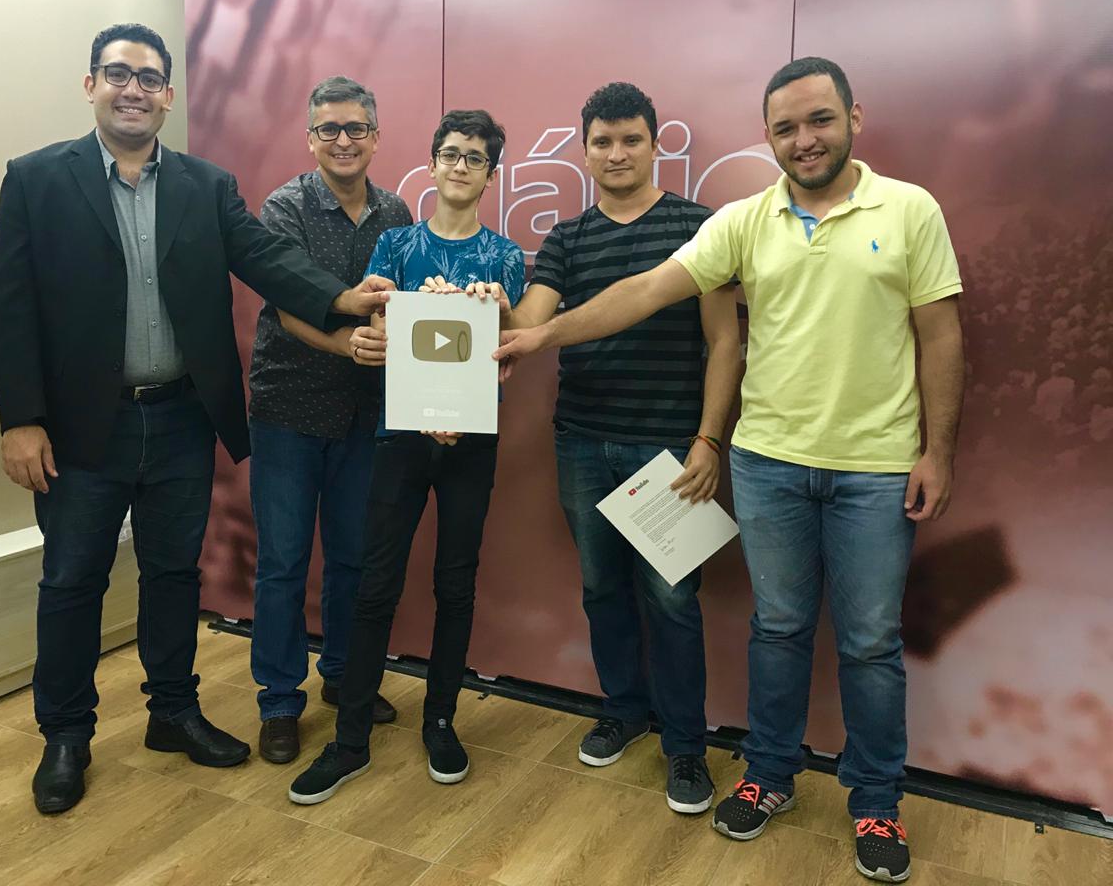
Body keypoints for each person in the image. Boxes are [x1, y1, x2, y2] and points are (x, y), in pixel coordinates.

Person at [495, 58, 965, 883]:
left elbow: (941, 334)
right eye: (786, 127)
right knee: (775, 630)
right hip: (767, 463)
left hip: (872, 469)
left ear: (854, 117)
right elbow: (646, 290)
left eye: (819, 120)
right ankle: (768, 775)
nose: (804, 139)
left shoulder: (909, 208)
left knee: (868, 643)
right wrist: (534, 335)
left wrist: (937, 451)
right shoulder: (745, 222)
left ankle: (875, 802)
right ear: (768, 136)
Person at [0, 23, 392, 815]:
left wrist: (341, 298)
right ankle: (65, 735)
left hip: (179, 418)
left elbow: (266, 260)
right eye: (117, 74)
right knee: (72, 582)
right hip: (80, 429)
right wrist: (21, 420)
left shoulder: (207, 186)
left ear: (168, 95)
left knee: (175, 575)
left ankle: (172, 712)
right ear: (91, 85)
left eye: (148, 78)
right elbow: (11, 308)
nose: (132, 90)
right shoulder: (35, 180)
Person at [497, 82, 740, 814]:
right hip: (581, 441)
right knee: (602, 589)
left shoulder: (700, 227)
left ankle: (686, 745)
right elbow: (531, 321)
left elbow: (726, 342)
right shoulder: (567, 238)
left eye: (631, 139)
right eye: (602, 142)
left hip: (669, 449)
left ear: (656, 144)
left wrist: (708, 439)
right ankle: (623, 708)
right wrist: (486, 310)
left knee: (673, 600)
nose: (617, 153)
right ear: (584, 151)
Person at [288, 109, 525, 804]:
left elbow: (510, 348)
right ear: (431, 162)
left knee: (456, 583)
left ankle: (441, 720)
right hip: (399, 436)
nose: (460, 166)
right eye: (450, 153)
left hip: (472, 442)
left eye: (474, 157)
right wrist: (412, 322)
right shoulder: (394, 246)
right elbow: (378, 327)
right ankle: (350, 737)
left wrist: (497, 310)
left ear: (490, 174)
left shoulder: (506, 259)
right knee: (375, 584)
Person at [246, 76, 413, 765]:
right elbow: (288, 304)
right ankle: (279, 700)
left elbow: (407, 307)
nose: (343, 141)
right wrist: (347, 344)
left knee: (351, 558)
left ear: (375, 136)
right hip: (289, 407)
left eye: (355, 128)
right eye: (329, 129)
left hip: (365, 413)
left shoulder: (396, 211)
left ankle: (344, 678)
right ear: (310, 138)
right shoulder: (284, 208)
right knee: (283, 563)